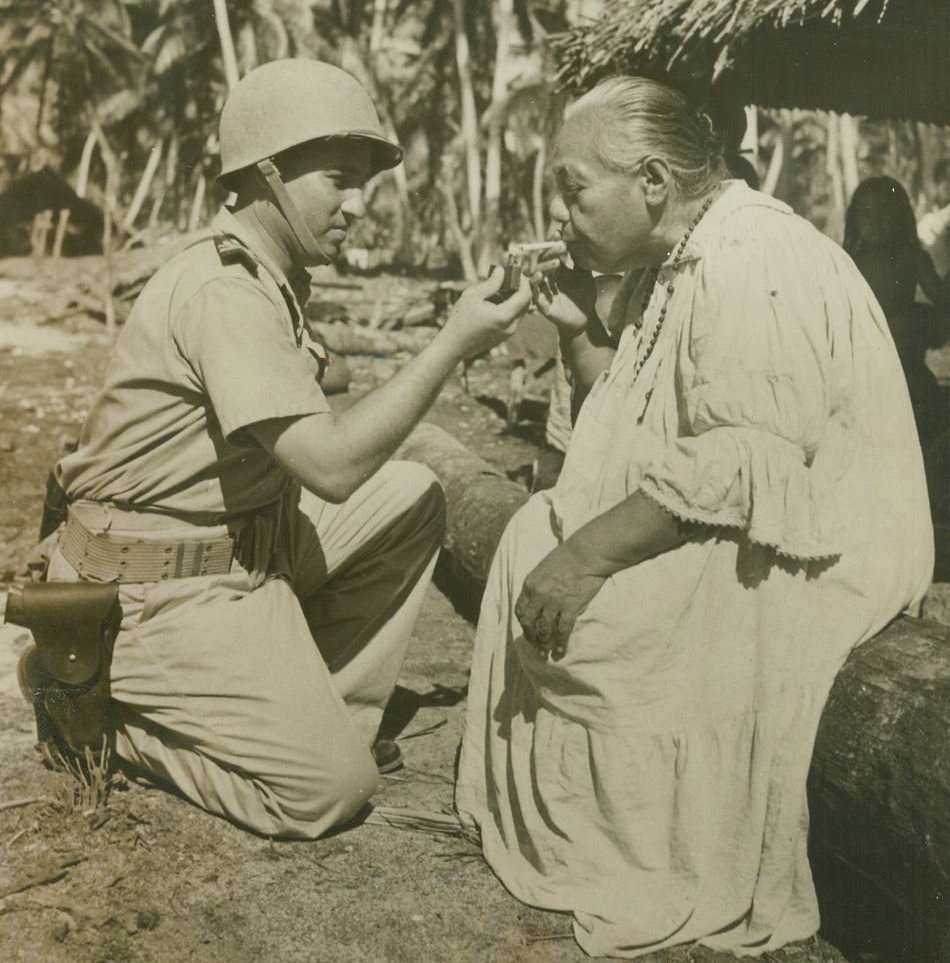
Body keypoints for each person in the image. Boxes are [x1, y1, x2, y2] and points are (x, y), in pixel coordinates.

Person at [456, 77, 932, 957]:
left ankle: (646, 843)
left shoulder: (751, 255)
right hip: (759, 502)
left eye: (572, 189)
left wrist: (590, 558)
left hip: (827, 536)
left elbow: (743, 461)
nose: (560, 213)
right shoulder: (679, 258)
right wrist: (574, 332)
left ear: (650, 183)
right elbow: (644, 424)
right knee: (540, 530)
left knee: (607, 600)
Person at [21, 58, 531, 839]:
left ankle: (320, 714)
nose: (359, 206)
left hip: (241, 544)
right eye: (340, 181)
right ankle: (88, 707)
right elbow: (330, 467)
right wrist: (451, 344)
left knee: (415, 495)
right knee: (327, 794)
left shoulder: (270, 276)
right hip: (151, 586)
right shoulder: (225, 291)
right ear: (266, 176)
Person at [843, 175, 950, 520]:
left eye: (886, 213)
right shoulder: (848, 260)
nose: (875, 222)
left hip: (907, 367)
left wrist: (926, 316)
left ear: (902, 217)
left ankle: (917, 508)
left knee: (919, 436)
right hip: (861, 369)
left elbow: (942, 303)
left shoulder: (912, 258)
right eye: (866, 214)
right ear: (854, 220)